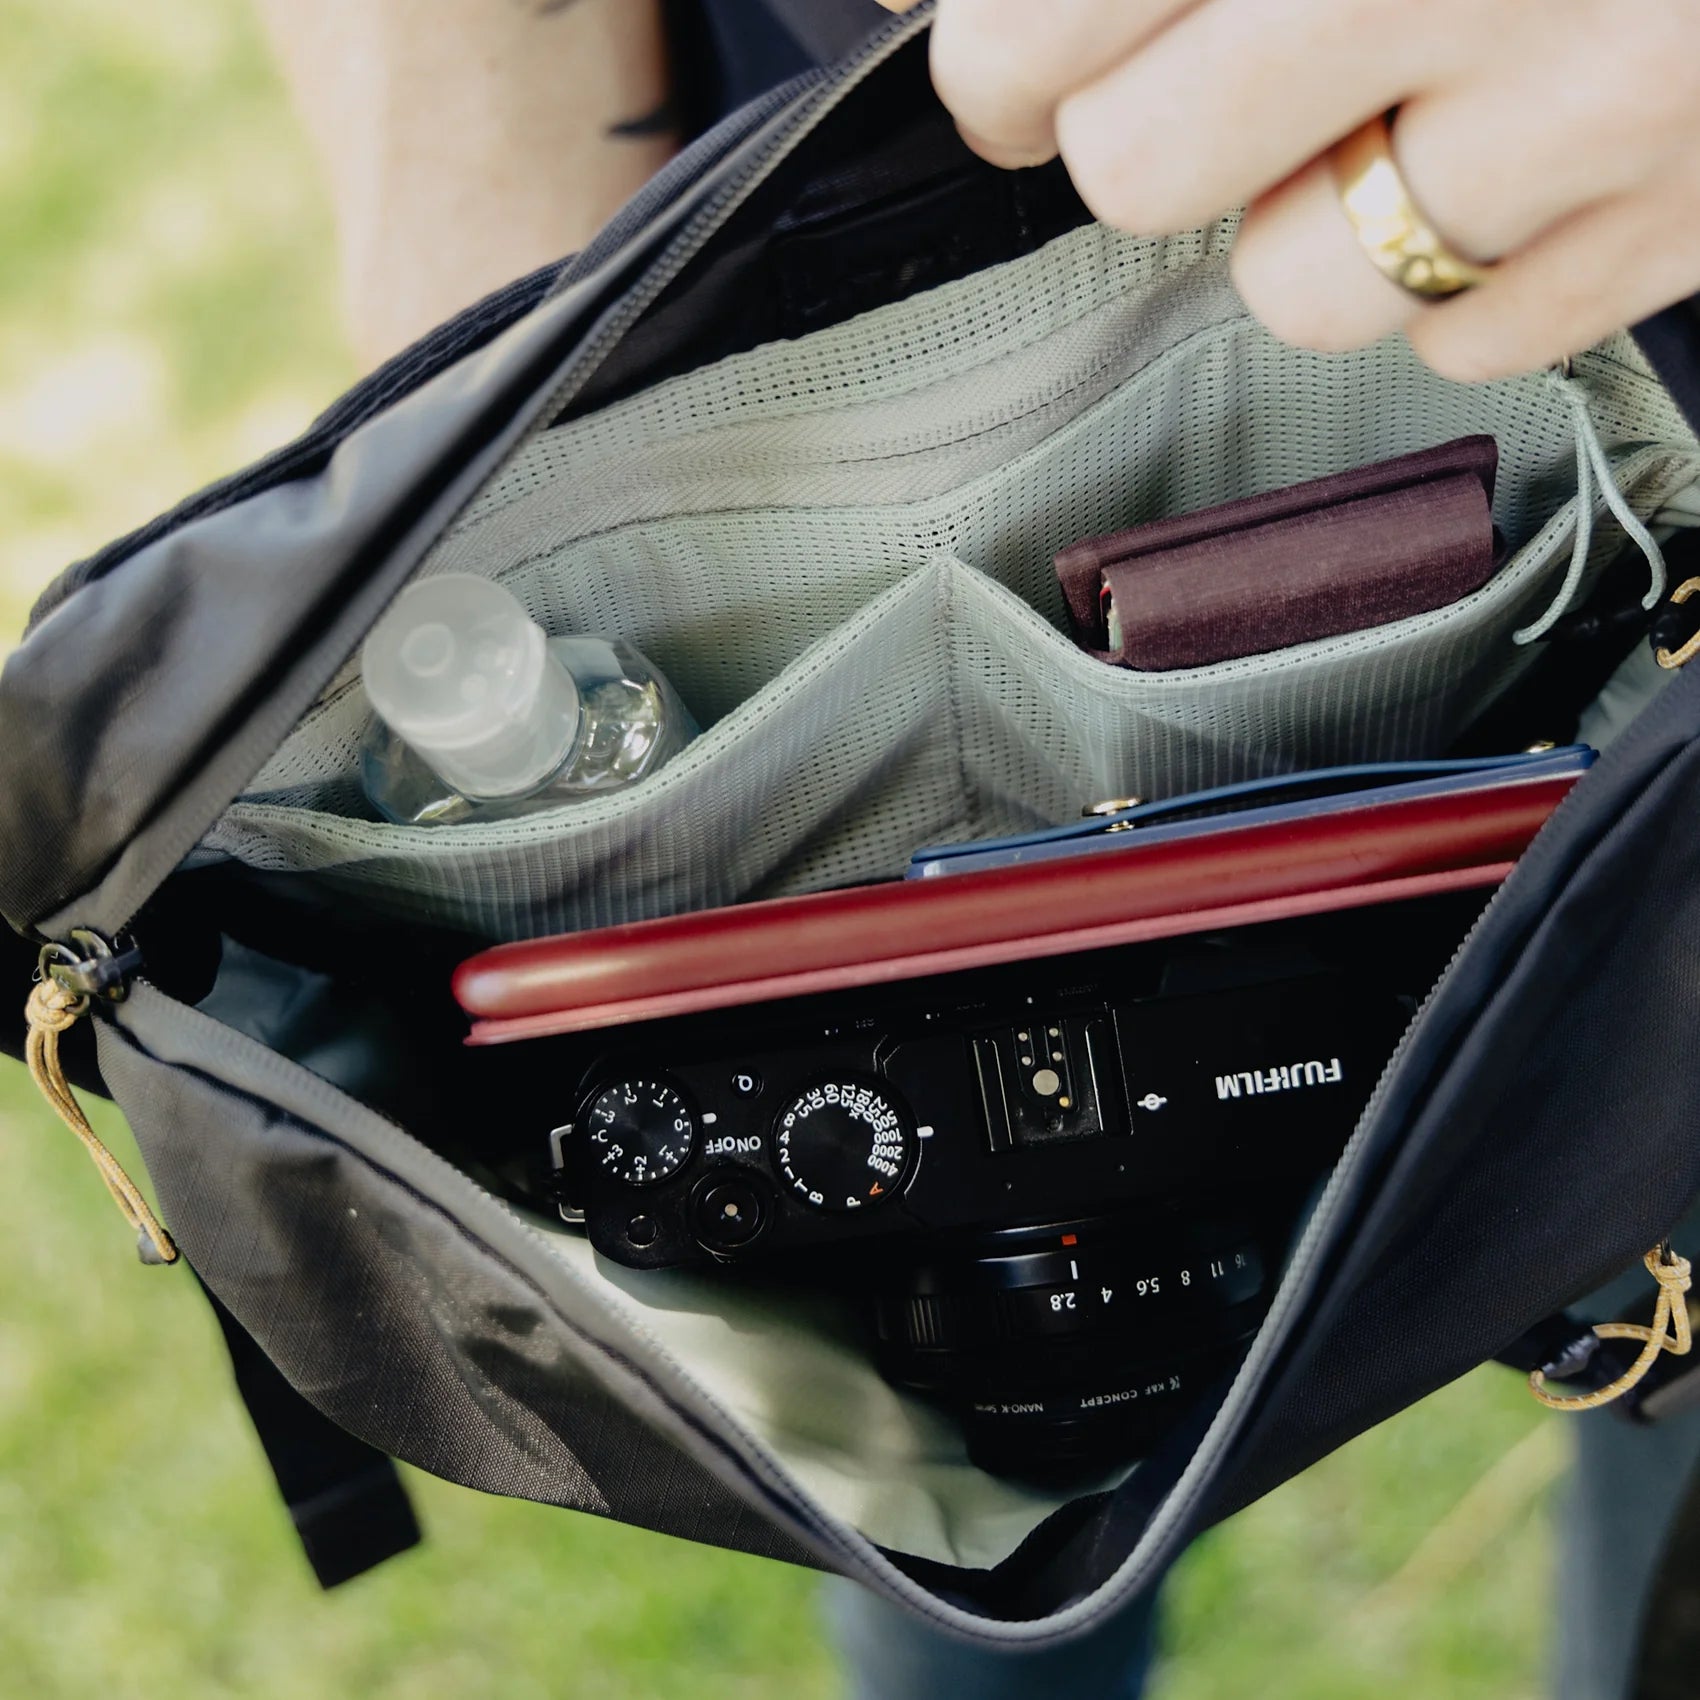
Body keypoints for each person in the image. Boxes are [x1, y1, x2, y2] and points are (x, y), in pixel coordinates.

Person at [255, 3, 1700, 1695]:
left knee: (1654, 1343)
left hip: (1575, 199)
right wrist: (487, 259)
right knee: (961, 1560)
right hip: (757, 219)